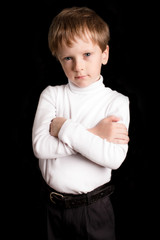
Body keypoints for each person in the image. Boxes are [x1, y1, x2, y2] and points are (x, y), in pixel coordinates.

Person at [32, 6, 130, 240]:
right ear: (59, 59)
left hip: (93, 210)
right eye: (68, 57)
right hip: (52, 208)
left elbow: (113, 158)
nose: (78, 66)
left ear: (104, 54)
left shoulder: (115, 101)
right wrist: (95, 133)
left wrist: (64, 128)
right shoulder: (52, 95)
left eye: (87, 54)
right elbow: (40, 147)